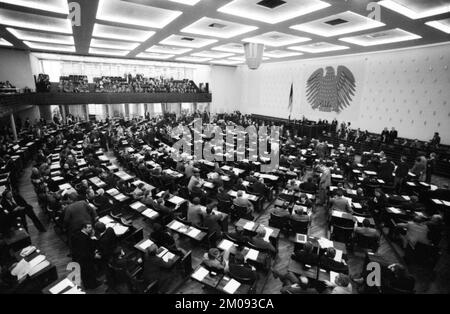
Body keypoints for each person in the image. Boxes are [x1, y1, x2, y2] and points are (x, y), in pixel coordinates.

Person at [71, 223, 100, 289]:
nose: (91, 229)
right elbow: (85, 252)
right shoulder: (84, 238)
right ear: (84, 228)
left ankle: (88, 285)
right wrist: (94, 255)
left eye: (91, 227)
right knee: (89, 272)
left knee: (85, 273)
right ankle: (92, 285)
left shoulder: (79, 234)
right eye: (89, 227)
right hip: (85, 260)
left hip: (79, 258)